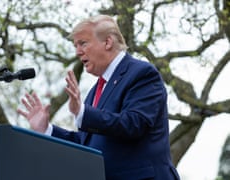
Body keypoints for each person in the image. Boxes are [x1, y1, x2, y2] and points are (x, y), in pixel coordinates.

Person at [17, 14, 180, 180]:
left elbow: (133, 124)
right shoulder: (95, 92)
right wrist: (47, 129)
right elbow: (85, 145)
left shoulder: (142, 73)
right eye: (76, 46)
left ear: (108, 42)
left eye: (83, 43)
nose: (78, 52)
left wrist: (83, 113)